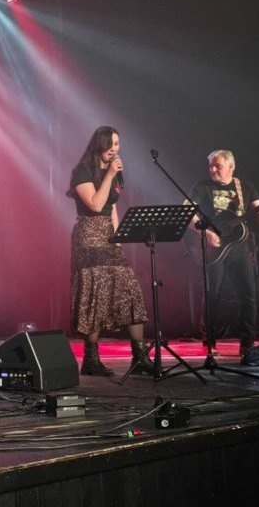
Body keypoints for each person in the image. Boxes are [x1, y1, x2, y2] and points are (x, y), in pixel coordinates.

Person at [68, 126, 151, 376]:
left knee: (130, 290)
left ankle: (140, 357)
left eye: (117, 144)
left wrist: (118, 237)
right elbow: (95, 204)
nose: (115, 149)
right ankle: (91, 360)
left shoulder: (112, 173)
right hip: (89, 236)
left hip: (108, 235)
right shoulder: (82, 171)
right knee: (96, 293)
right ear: (100, 144)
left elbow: (112, 207)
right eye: (111, 144)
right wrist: (109, 175)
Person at [188, 149, 259, 364]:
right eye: (210, 166)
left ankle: (247, 344)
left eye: (217, 166)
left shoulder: (245, 187)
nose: (212, 170)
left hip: (239, 248)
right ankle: (209, 342)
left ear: (231, 167)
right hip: (214, 249)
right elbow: (187, 212)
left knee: (249, 294)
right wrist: (205, 233)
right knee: (212, 295)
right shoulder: (202, 187)